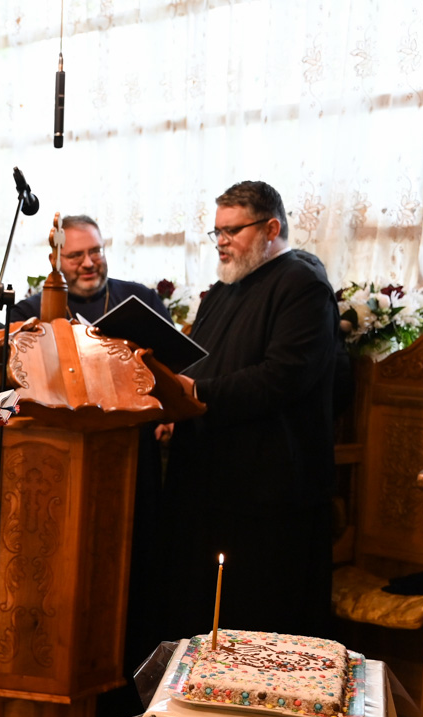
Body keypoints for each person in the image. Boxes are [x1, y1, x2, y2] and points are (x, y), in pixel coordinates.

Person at [159, 180, 338, 642]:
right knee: (200, 613)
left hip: (266, 489)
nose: (220, 242)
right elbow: (199, 361)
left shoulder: (302, 284)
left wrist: (197, 394)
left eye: (232, 231)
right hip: (212, 480)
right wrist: (175, 407)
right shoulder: (224, 288)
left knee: (256, 620)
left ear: (271, 229)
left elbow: (284, 376)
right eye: (217, 231)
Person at [10, 215, 168, 324]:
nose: (88, 263)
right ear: (54, 260)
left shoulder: (141, 298)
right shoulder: (27, 313)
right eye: (75, 255)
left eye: (95, 252)